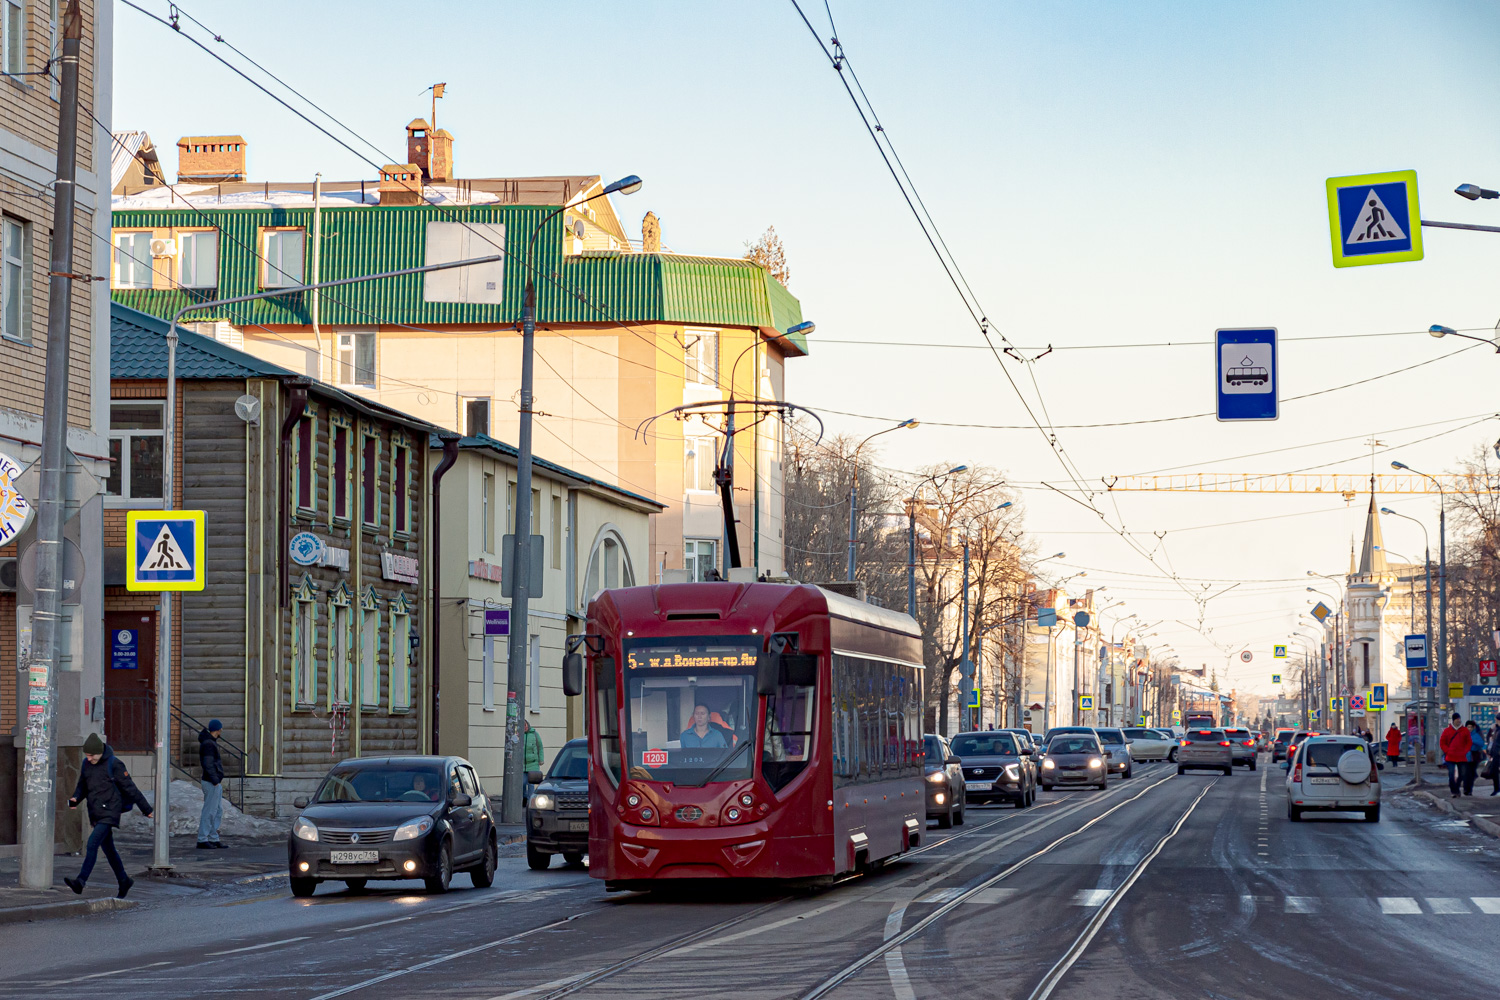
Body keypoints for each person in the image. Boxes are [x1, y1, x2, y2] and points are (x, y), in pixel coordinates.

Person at [64, 733, 153, 898]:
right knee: (109, 850)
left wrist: (146, 809)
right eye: (87, 755)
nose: (89, 758)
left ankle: (81, 881)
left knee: (92, 844)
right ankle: (124, 880)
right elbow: (82, 786)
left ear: (100, 752)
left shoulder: (114, 764)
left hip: (110, 811)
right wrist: (75, 800)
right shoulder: (86, 764)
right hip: (95, 812)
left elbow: (130, 788)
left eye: (92, 755)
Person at [197, 719, 226, 850]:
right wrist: (215, 780)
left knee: (217, 810)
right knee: (210, 811)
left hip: (213, 781)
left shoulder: (210, 742)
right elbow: (208, 764)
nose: (221, 731)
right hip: (211, 782)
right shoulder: (208, 744)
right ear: (217, 730)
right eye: (220, 729)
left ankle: (213, 837)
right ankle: (202, 839)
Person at [1441, 713, 1472, 797]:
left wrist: (1465, 751)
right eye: (1457, 719)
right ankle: (1453, 791)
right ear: (1453, 720)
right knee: (1451, 775)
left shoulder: (1464, 730)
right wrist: (1447, 751)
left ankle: (1457, 787)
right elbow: (1442, 742)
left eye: (1459, 719)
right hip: (1450, 756)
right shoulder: (1447, 731)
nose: (1459, 721)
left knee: (1462, 774)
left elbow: (1469, 742)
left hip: (1461, 756)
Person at [1466, 720, 1485, 796]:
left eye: (1470, 727)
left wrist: (1472, 741)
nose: (1469, 728)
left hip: (1474, 756)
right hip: (1466, 756)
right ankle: (1467, 789)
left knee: (1470, 773)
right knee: (1467, 773)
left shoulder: (1476, 734)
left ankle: (1469, 790)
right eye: (1468, 727)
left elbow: (1481, 743)